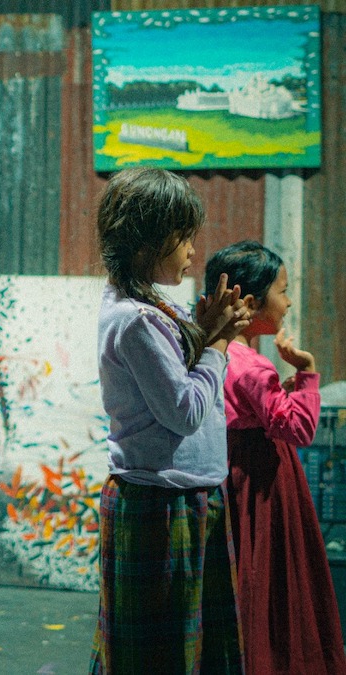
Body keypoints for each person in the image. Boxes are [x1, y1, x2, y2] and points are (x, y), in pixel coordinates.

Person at [88, 167, 251, 674]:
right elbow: (183, 410)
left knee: (196, 652)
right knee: (159, 658)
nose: (191, 253)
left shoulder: (156, 305)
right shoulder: (134, 320)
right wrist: (219, 345)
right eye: (184, 240)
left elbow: (180, 368)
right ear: (148, 241)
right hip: (159, 501)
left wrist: (205, 331)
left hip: (187, 494)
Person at [204, 241, 346, 675]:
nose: (287, 302)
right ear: (251, 300)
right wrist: (306, 374)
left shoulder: (218, 351)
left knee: (241, 579)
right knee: (272, 580)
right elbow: (297, 428)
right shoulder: (252, 366)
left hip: (232, 476)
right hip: (263, 484)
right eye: (282, 291)